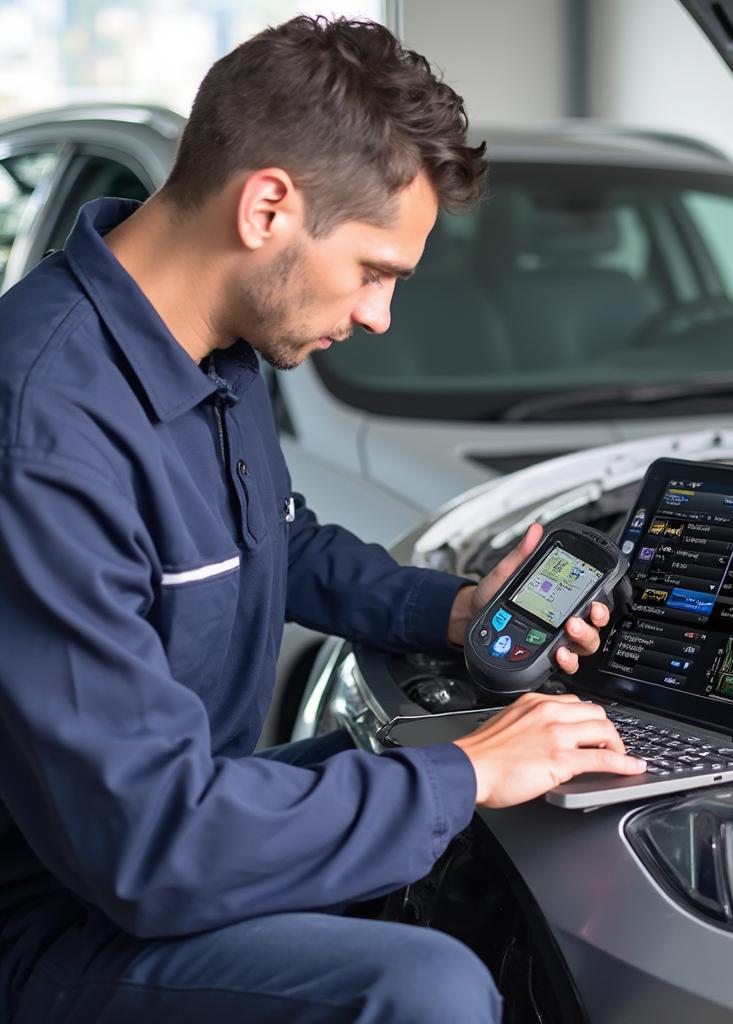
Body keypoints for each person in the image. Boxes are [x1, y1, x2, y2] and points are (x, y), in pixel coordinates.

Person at [0, 15, 647, 1024]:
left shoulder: (212, 350)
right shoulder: (43, 433)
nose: (379, 315)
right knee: (421, 986)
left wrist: (459, 610)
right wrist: (468, 771)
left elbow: (279, 538)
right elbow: (150, 845)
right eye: (375, 270)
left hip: (167, 819)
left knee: (453, 797)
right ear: (267, 206)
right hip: (55, 911)